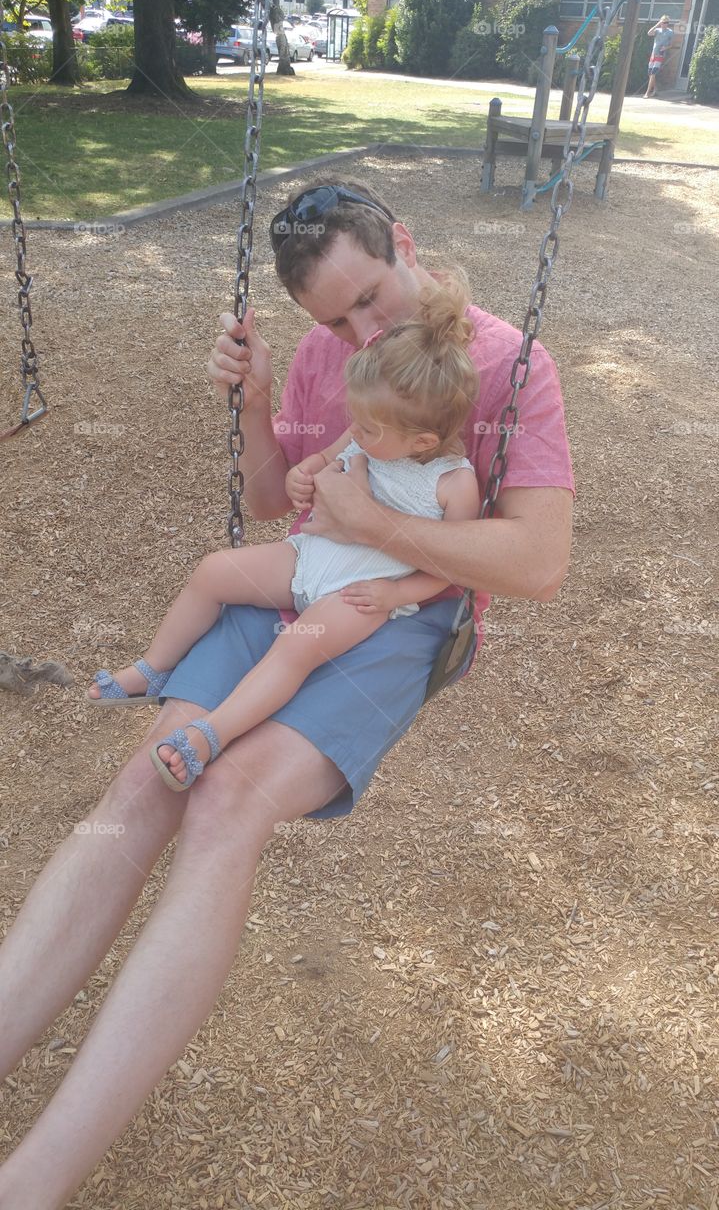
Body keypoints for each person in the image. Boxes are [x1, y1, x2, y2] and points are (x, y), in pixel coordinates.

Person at [0, 179, 574, 1209]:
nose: (360, 334)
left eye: (369, 298)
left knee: (227, 796)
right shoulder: (324, 352)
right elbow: (272, 498)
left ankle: (29, 1185)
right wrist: (259, 399)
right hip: (301, 575)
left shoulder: (508, 364)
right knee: (145, 783)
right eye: (333, 321)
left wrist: (375, 525)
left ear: (403, 242)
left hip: (396, 616)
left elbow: (535, 563)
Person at [86, 273, 482, 790]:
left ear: (423, 440)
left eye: (365, 428)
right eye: (355, 420)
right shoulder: (368, 429)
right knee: (214, 572)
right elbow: (322, 459)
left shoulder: (453, 485)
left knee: (297, 647)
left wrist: (395, 595)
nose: (355, 431)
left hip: (361, 595)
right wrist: (303, 475)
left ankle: (211, 734)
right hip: (310, 554)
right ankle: (154, 668)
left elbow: (450, 565)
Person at [645, 14, 674, 98]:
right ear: (661, 22)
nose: (666, 24)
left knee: (653, 73)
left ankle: (647, 93)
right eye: (664, 22)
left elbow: (671, 45)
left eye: (667, 22)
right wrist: (657, 24)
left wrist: (665, 47)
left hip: (660, 54)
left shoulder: (670, 32)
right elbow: (649, 33)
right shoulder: (657, 30)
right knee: (650, 73)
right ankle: (655, 90)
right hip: (653, 54)